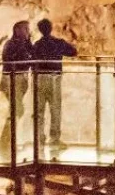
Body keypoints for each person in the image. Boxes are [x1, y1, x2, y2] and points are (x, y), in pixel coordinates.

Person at [31, 19, 79, 148]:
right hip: (54, 78)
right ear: (51, 28)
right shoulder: (58, 43)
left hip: (39, 78)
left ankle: (39, 138)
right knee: (55, 109)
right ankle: (54, 139)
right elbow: (73, 52)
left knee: (39, 111)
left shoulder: (37, 45)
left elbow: (31, 61)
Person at [0, 21, 35, 159]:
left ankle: (8, 142)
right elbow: (22, 59)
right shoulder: (12, 44)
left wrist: (29, 41)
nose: (28, 32)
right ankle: (6, 143)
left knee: (16, 111)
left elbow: (32, 54)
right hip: (12, 80)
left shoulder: (22, 43)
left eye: (28, 29)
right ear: (17, 30)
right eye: (25, 29)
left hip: (18, 80)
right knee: (17, 110)